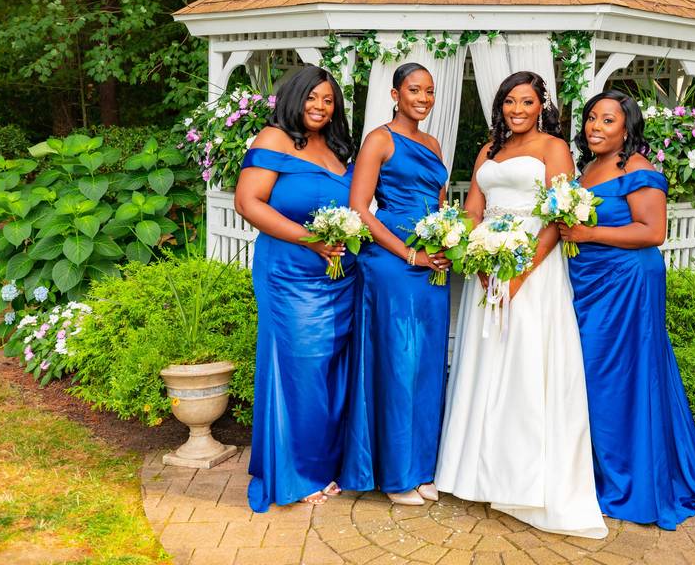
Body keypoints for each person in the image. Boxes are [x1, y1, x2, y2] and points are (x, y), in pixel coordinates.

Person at [561, 90, 695, 530]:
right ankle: (599, 474)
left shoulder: (640, 170)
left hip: (627, 281)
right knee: (592, 377)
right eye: (592, 118)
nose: (595, 126)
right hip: (589, 281)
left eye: (607, 120)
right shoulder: (589, 169)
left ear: (627, 128)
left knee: (622, 378)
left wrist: (587, 234)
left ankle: (634, 481)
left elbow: (652, 232)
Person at [434, 71, 608, 539]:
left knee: (525, 365)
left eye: (526, 102)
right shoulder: (488, 150)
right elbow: (474, 209)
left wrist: (519, 273)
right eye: (509, 101)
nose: (517, 110)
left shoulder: (554, 148)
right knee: (485, 364)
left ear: (541, 106)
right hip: (487, 267)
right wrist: (474, 254)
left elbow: (558, 216)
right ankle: (477, 474)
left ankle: (525, 481)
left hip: (534, 268)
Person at [234, 66, 355, 512]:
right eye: (312, 98)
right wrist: (312, 240)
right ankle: (296, 472)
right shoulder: (273, 139)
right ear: (294, 97)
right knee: (300, 370)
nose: (320, 107)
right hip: (289, 274)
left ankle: (325, 465)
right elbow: (247, 203)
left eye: (328, 100)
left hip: (339, 279)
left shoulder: (338, 149)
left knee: (332, 371)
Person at [340, 63, 451, 506]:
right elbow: (360, 209)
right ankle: (396, 475)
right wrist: (409, 254)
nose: (422, 98)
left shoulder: (433, 143)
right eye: (414, 90)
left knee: (426, 365)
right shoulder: (380, 139)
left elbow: (439, 204)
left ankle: (422, 467)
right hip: (391, 261)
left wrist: (448, 242)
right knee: (398, 363)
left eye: (429, 91)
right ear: (394, 93)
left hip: (433, 264)